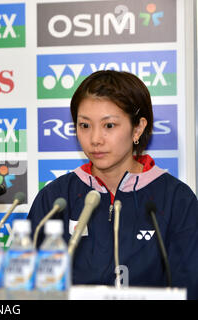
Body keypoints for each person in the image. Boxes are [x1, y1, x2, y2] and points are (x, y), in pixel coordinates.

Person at [28, 70, 198, 299]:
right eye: (85, 125)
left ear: (137, 128)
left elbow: (190, 287)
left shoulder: (176, 199)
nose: (95, 139)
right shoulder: (57, 198)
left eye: (109, 126)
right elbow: (25, 285)